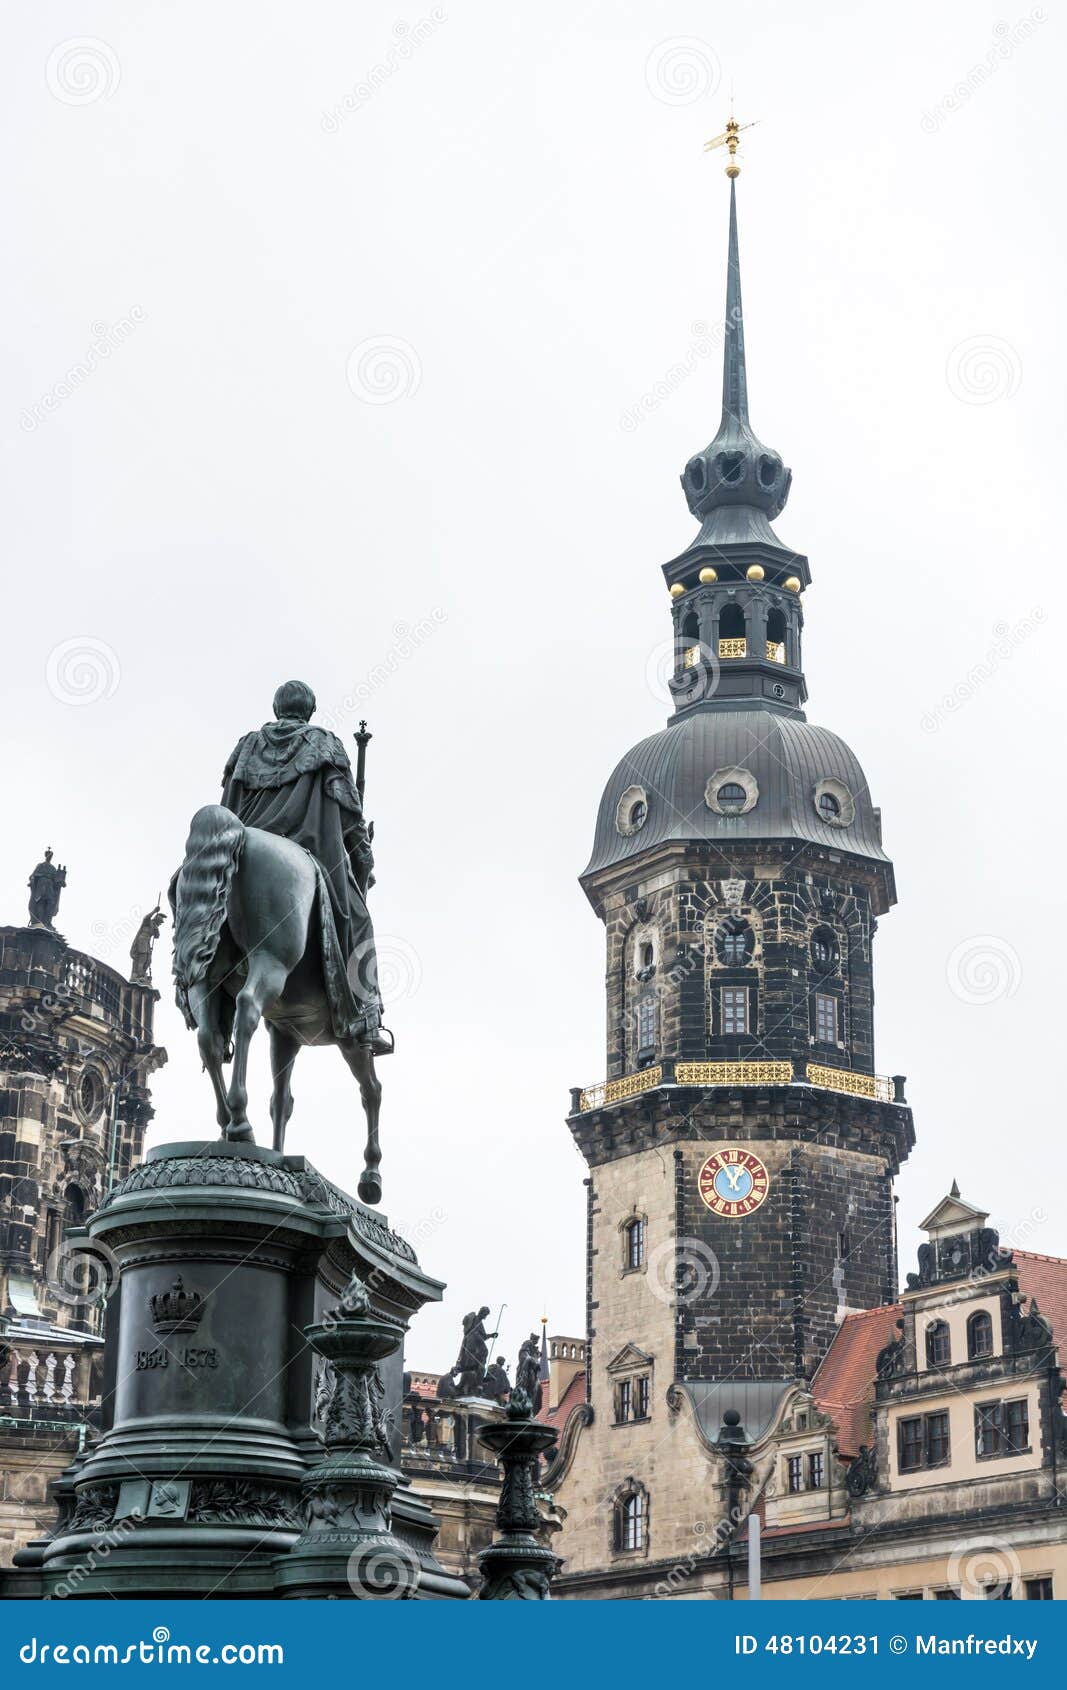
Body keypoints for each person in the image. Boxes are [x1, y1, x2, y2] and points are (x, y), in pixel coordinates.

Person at [219, 680, 389, 1052]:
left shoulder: (247, 746)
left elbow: (227, 808)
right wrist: (364, 858)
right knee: (359, 918)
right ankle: (366, 1018)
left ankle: (208, 1014)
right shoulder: (324, 744)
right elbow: (351, 818)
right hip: (312, 850)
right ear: (309, 710)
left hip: (238, 847)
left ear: (277, 707)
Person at [28, 849, 66, 929]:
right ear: (46, 855)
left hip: (49, 886)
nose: (50, 857)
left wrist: (61, 882)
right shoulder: (41, 865)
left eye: (51, 855)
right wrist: (34, 879)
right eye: (48, 855)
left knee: (51, 903)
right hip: (41, 885)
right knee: (40, 902)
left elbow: (56, 880)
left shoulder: (53, 868)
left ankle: (47, 921)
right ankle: (40, 921)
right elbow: (33, 875)